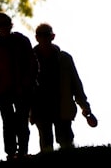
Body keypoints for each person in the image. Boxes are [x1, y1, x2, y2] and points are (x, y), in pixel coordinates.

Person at [29, 22, 93, 152]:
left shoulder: (64, 58)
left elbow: (76, 85)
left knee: (66, 143)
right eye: (41, 35)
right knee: (46, 144)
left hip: (62, 106)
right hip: (40, 107)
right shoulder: (29, 59)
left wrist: (85, 108)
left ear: (52, 36)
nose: (44, 38)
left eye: (46, 35)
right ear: (36, 37)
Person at [0, 12, 35, 160]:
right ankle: (11, 152)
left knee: (22, 120)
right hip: (2, 91)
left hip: (22, 89)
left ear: (11, 23)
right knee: (8, 121)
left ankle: (22, 152)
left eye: (5, 23)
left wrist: (27, 83)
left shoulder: (22, 41)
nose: (3, 26)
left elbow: (32, 64)